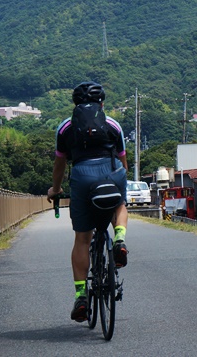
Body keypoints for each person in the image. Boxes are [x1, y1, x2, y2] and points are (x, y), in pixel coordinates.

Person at [47, 81, 129, 322]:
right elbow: (123, 159)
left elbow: (59, 164)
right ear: (102, 103)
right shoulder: (113, 125)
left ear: (75, 104)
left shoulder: (65, 128)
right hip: (112, 174)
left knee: (83, 238)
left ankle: (82, 296)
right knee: (120, 205)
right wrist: (122, 180)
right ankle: (120, 239)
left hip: (82, 178)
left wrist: (56, 189)